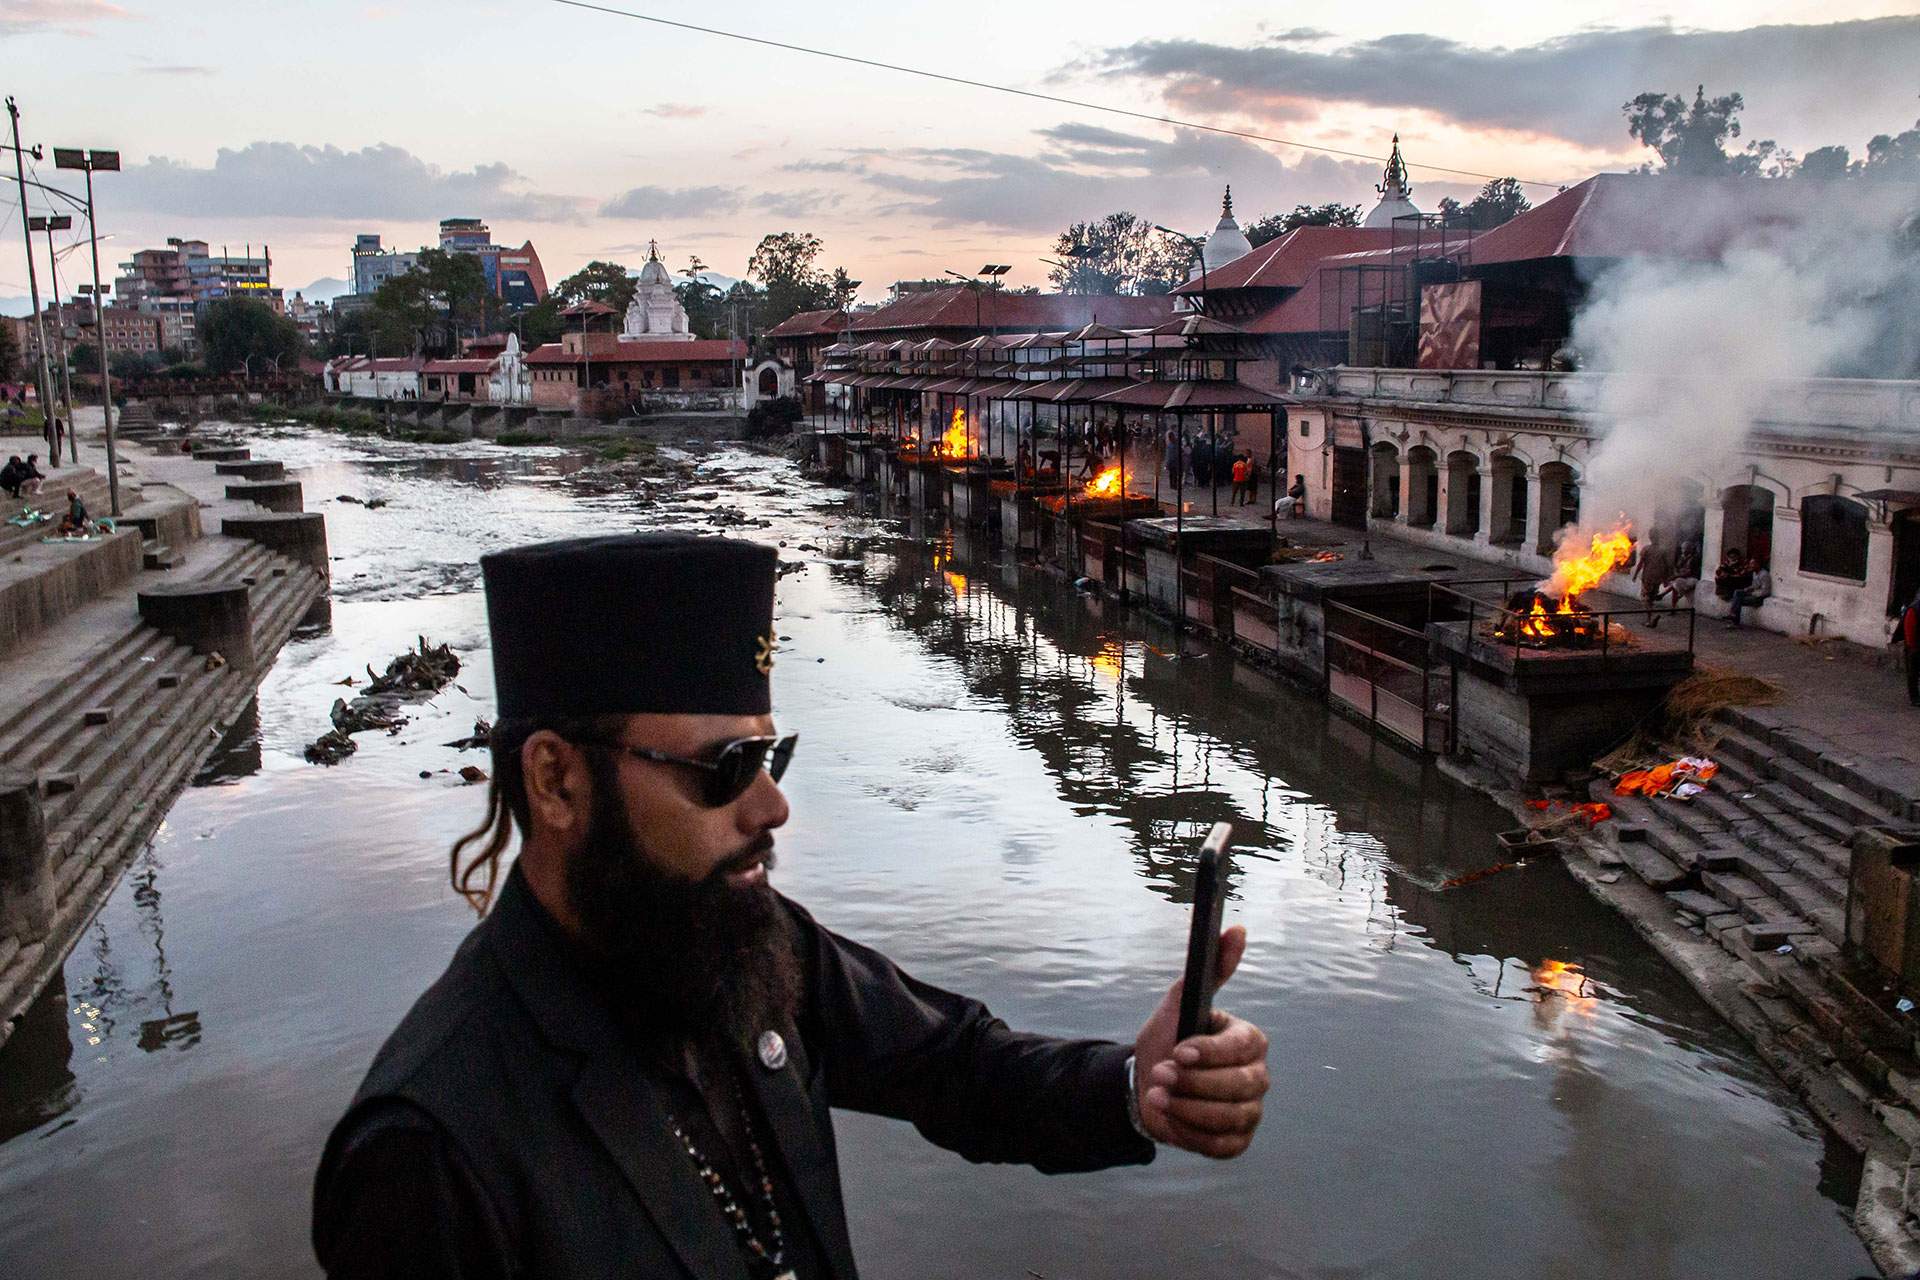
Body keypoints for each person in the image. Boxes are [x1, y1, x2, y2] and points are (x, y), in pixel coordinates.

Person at [312, 533, 1271, 1279]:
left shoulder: (746, 944)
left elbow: (954, 1064)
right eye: (724, 768)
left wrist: (1136, 1091)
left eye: (772, 758)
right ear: (557, 781)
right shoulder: (431, 1150)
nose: (771, 806)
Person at [1891, 586, 1920, 706]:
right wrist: (1913, 646)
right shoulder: (1914, 610)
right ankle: (1914, 698)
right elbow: (1910, 628)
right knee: (1913, 672)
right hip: (1914, 645)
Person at [1728, 559, 1771, 628]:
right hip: (1754, 593)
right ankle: (1733, 615)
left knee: (1737, 600)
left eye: (1752, 564)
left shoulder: (1764, 575)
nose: (1750, 566)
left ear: (1757, 565)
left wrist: (1752, 593)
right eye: (1750, 564)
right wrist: (1748, 589)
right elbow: (1755, 585)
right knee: (1737, 592)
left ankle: (1734, 619)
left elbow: (1765, 591)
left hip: (1759, 598)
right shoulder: (1755, 573)